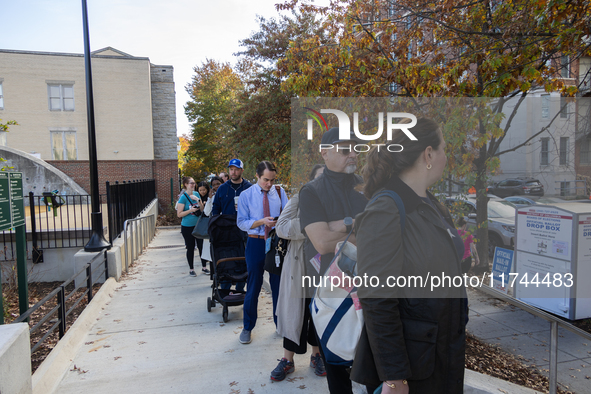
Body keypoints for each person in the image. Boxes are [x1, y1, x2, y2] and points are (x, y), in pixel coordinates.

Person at [352, 118, 467, 394]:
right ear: (428, 154)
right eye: (443, 149)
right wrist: (394, 378)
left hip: (442, 355)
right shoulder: (387, 207)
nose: (446, 157)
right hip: (412, 371)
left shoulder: (431, 203)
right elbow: (377, 299)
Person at [298, 128, 368, 394]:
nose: (353, 154)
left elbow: (378, 238)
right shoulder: (311, 192)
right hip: (332, 293)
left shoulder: (365, 191)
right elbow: (322, 243)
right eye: (345, 149)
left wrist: (337, 227)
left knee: (369, 363)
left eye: (356, 149)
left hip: (367, 288)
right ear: (324, 153)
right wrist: (356, 224)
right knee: (337, 366)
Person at [271, 164, 325, 381]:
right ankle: (287, 360)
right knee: (295, 314)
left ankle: (317, 356)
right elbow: (281, 227)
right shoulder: (299, 200)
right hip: (298, 267)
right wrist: (310, 225)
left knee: (319, 315)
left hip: (323, 269)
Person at [237, 161, 288, 345]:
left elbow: (288, 216)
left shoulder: (280, 193)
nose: (269, 184)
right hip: (255, 243)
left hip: (275, 244)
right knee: (253, 286)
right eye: (266, 180)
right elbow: (241, 222)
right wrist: (261, 222)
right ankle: (247, 327)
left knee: (278, 287)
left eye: (272, 180)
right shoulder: (246, 195)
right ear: (257, 176)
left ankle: (280, 324)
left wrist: (279, 222)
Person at [211, 159, 252, 292]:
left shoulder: (249, 187)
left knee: (243, 260)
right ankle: (225, 291)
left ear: (241, 170)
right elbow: (216, 207)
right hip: (227, 230)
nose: (233, 172)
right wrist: (216, 224)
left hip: (245, 229)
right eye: (231, 169)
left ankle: (240, 290)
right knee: (227, 260)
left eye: (236, 169)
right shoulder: (223, 188)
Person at [176, 177, 201, 277]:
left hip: (198, 225)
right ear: (186, 184)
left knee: (201, 247)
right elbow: (179, 214)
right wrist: (191, 210)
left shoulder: (196, 194)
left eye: (194, 183)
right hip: (187, 227)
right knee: (190, 248)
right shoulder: (183, 197)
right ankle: (191, 269)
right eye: (191, 183)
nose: (193, 185)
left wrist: (198, 200)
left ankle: (204, 267)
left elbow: (202, 208)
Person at [193, 181, 211, 274]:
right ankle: (204, 265)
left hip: (208, 223)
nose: (202, 192)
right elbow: (197, 212)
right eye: (200, 190)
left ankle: (208, 264)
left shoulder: (210, 197)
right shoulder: (196, 198)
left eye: (204, 190)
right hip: (199, 224)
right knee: (200, 245)